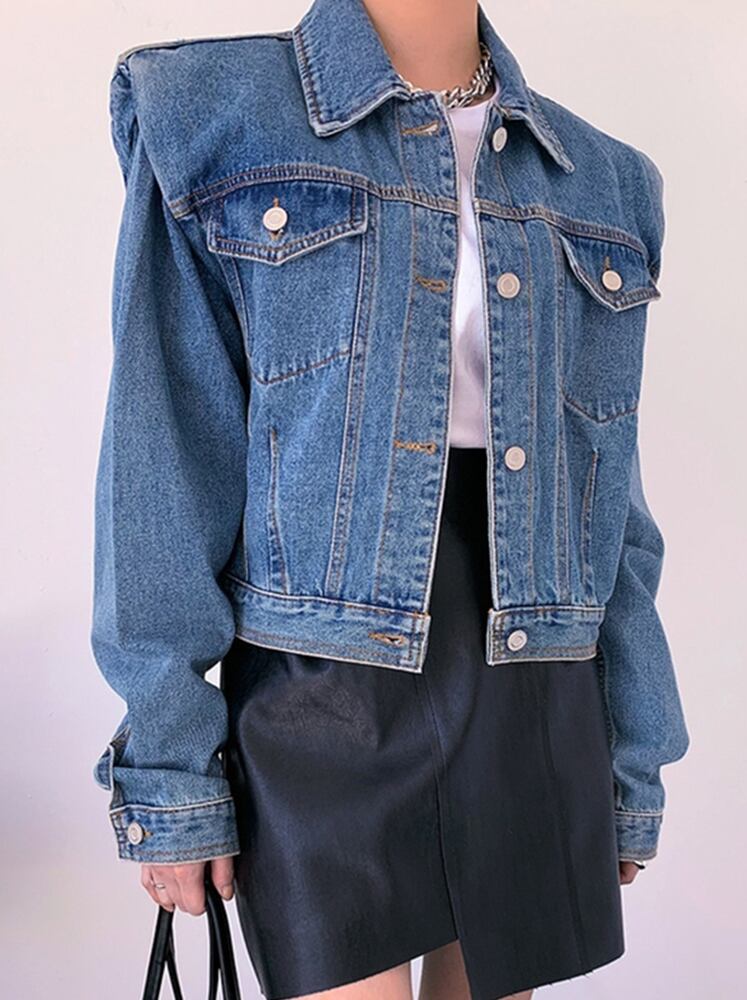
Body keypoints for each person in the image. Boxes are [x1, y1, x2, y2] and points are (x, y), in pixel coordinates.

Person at [90, 1, 690, 997]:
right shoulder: (213, 110)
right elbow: (166, 449)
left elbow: (611, 507)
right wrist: (170, 767)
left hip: (537, 684)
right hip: (318, 696)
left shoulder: (604, 179)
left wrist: (633, 754)